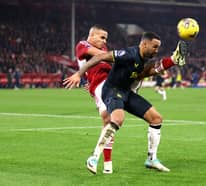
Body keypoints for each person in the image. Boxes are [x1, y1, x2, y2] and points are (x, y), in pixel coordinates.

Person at [63, 32, 187, 174]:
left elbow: (145, 73)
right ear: (144, 44)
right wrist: (79, 74)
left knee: (156, 119)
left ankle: (151, 159)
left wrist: (172, 61)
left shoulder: (142, 60)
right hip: (112, 90)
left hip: (126, 92)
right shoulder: (128, 54)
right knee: (117, 119)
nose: (157, 50)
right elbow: (99, 56)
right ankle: (94, 157)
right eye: (155, 47)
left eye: (158, 47)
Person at [75, 25, 114, 174]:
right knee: (109, 120)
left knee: (109, 122)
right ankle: (97, 159)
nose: (104, 41)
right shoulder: (83, 44)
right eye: (102, 37)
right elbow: (102, 56)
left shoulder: (104, 51)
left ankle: (107, 164)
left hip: (106, 85)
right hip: (99, 85)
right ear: (91, 36)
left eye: (106, 39)